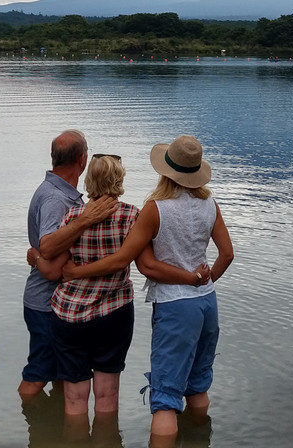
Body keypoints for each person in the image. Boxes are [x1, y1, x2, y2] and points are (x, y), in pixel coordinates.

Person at [62, 135, 234, 439]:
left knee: (165, 400)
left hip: (175, 306)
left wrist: (76, 272)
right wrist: (203, 281)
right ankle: (197, 439)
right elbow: (227, 254)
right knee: (198, 385)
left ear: (165, 171)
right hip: (207, 304)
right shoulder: (210, 203)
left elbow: (140, 264)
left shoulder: (155, 209)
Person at [36, 154, 198, 421]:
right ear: (119, 179)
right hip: (114, 311)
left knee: (75, 398)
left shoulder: (72, 216)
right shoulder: (132, 216)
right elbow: (145, 262)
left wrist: (37, 257)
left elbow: (56, 269)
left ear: (89, 180)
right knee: (107, 396)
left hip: (69, 314)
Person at [18, 130, 118, 399]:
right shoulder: (56, 199)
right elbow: (49, 248)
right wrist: (84, 221)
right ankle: (29, 418)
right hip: (45, 302)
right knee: (38, 374)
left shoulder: (63, 195)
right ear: (82, 160)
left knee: (65, 375)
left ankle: (54, 429)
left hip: (55, 303)